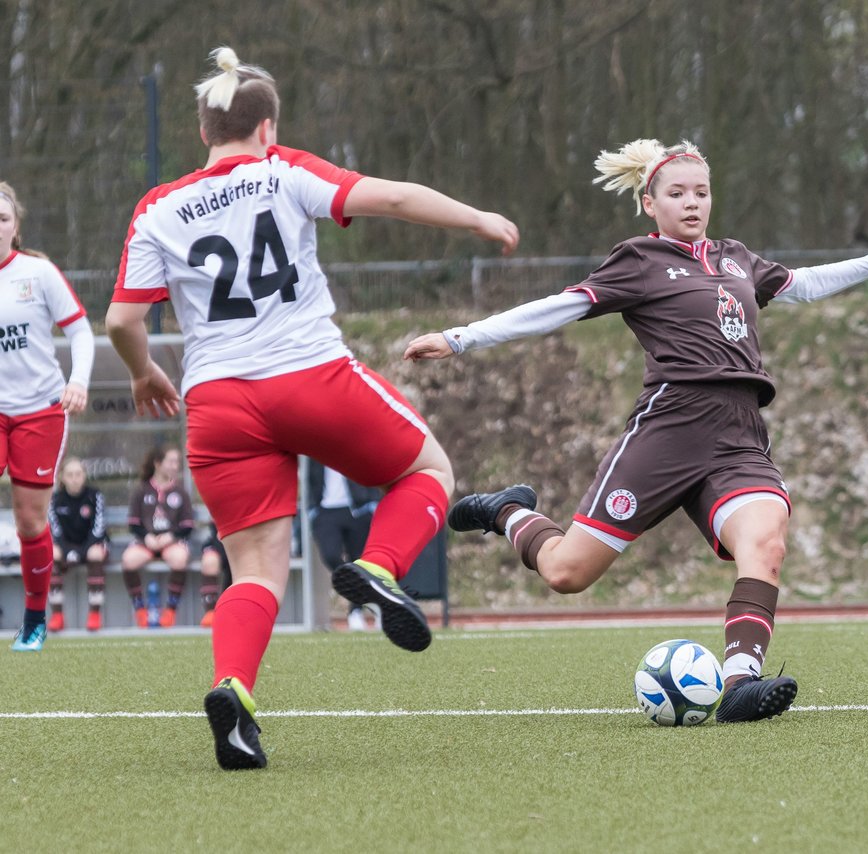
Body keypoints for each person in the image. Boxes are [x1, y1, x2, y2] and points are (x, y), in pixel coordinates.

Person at [405, 138, 868, 723]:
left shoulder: (738, 258)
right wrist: (462, 337)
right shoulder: (638, 260)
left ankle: (742, 683)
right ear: (650, 203)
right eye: (677, 193)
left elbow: (804, 284)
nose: (692, 203)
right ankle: (507, 511)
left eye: (701, 192)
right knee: (567, 573)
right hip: (670, 429)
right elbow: (557, 307)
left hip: (739, 432)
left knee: (765, 542)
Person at [106, 46, 518, 770]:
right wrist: (479, 218)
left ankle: (234, 690)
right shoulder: (283, 170)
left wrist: (144, 375)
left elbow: (121, 320)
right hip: (308, 378)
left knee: (256, 569)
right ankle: (382, 569)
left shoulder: (158, 208)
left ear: (203, 131)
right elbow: (389, 197)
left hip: (218, 404)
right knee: (428, 469)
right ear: (269, 127)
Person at [0, 180, 95, 652]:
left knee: (30, 521)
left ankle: (35, 619)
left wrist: (77, 380)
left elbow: (81, 332)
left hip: (39, 409)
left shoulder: (38, 274)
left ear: (14, 226)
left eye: (2, 218)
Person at [120, 445, 195, 628]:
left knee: (179, 559)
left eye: (177, 462)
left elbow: (187, 525)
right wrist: (147, 537)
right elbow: (134, 524)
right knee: (128, 560)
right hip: (147, 543)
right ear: (158, 463)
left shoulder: (181, 492)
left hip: (171, 543)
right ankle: (140, 610)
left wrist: (171, 536)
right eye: (170, 461)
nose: (174, 466)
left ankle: (170, 610)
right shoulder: (141, 491)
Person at [307, 459, 382, 631]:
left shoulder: (353, 439)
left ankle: (355, 611)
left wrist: (373, 502)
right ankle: (369, 597)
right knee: (331, 555)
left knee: (360, 562)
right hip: (325, 511)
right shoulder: (315, 444)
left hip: (358, 508)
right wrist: (313, 510)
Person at [48, 456, 109, 632]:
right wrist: (68, 552)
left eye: (78, 474)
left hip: (92, 544)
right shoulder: (54, 499)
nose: (75, 478)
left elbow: (98, 529)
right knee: (52, 554)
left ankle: (95, 614)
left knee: (95, 554)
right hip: (67, 545)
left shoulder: (95, 495)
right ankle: (57, 615)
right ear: (62, 477)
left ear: (84, 476)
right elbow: (56, 532)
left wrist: (81, 552)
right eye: (70, 474)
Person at [197, 522, 229, 628]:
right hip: (220, 537)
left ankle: (229, 610)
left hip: (246, 541)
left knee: (241, 564)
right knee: (209, 561)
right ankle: (210, 611)